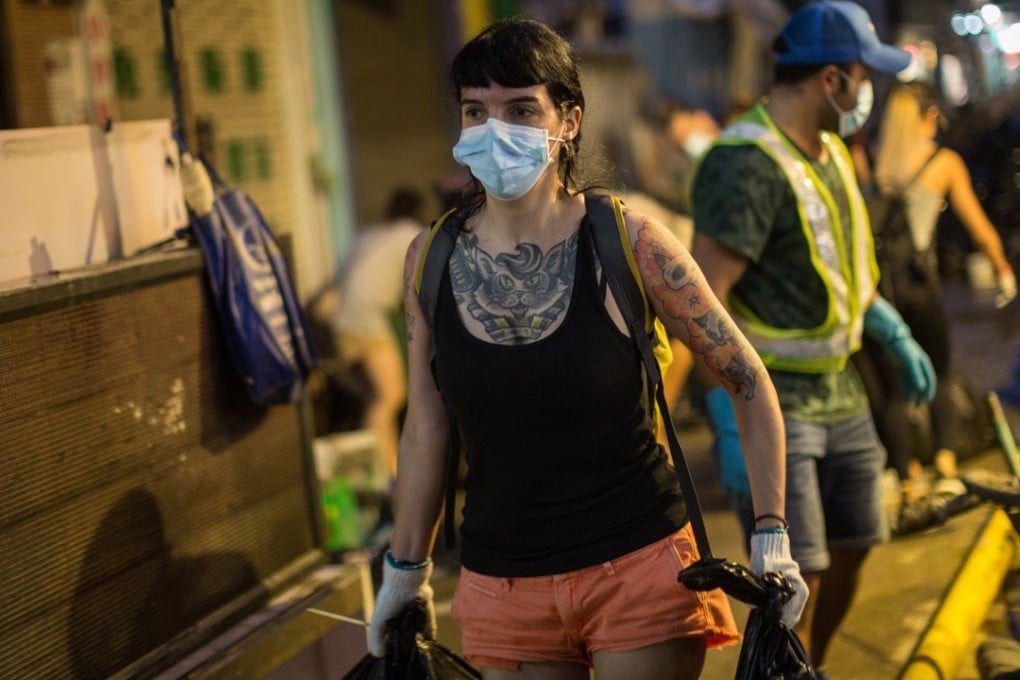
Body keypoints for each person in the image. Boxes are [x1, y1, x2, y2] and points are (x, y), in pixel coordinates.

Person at [367, 17, 807, 680]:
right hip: (502, 584)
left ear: (568, 121)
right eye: (474, 111)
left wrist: (771, 533)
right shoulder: (428, 259)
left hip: (638, 568)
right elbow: (427, 426)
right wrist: (405, 574)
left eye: (520, 109)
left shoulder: (630, 244)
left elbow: (747, 380)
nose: (494, 130)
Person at [689, 2, 936, 676]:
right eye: (864, 76)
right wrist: (728, 416)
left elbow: (844, 271)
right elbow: (700, 306)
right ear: (833, 80)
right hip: (777, 408)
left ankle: (809, 669)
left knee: (860, 542)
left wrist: (887, 327)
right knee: (799, 577)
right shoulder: (745, 163)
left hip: (842, 393)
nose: (869, 92)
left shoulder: (828, 152)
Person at [864, 81, 1015, 497]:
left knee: (895, 384)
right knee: (941, 370)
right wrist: (1001, 265)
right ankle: (946, 462)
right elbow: (979, 227)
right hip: (919, 287)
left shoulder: (878, 163)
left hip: (882, 291)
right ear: (930, 116)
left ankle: (909, 472)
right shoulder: (943, 163)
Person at [321, 187, 427, 480]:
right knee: (390, 397)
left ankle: (375, 470)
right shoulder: (411, 233)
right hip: (366, 320)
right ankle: (387, 477)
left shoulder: (369, 234)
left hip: (340, 323)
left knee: (371, 398)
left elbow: (332, 286)